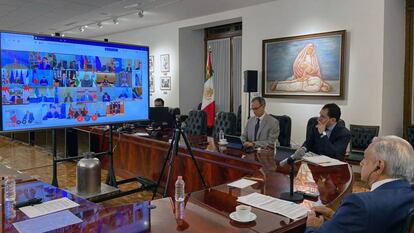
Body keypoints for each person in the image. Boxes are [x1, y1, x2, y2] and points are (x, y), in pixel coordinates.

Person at [306, 135, 414, 233]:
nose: (361, 163)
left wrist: (312, 227)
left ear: (379, 166)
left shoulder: (359, 204)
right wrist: (339, 218)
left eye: (365, 158)